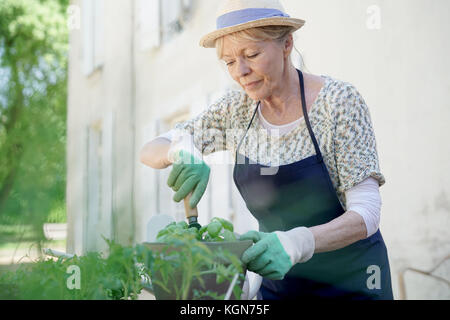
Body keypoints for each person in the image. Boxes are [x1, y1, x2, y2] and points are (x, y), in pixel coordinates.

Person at [140, 0, 393, 300]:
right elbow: (151, 149)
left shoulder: (337, 103)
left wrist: (297, 242)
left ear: (287, 44)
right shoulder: (236, 111)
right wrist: (182, 149)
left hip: (354, 285)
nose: (241, 71)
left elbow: (366, 214)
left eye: (252, 54)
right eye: (230, 62)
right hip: (280, 287)